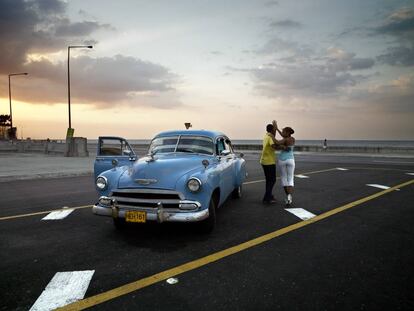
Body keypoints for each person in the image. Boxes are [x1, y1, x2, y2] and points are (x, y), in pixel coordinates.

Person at [260, 123, 284, 204]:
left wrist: (275, 126)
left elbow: (273, 142)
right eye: (274, 130)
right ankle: (267, 198)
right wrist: (282, 147)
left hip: (264, 161)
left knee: (269, 180)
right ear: (272, 130)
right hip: (269, 162)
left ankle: (268, 196)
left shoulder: (266, 136)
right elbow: (273, 146)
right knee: (272, 180)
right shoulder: (270, 137)